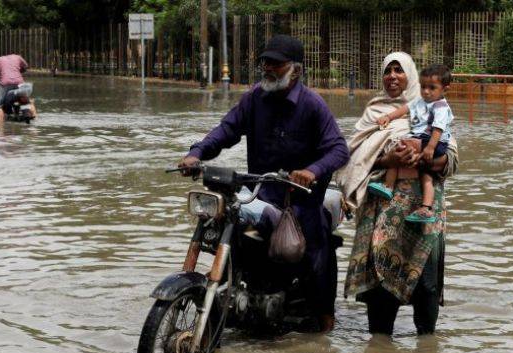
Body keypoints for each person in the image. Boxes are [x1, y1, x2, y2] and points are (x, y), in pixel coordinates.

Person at [178, 35, 350, 332]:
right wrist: (197, 153)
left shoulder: (313, 105)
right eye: (265, 62)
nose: (268, 68)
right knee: (229, 224)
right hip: (259, 192)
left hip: (300, 199)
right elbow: (226, 130)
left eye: (276, 63)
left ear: (295, 69)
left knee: (316, 249)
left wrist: (312, 170)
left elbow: (338, 149)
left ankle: (326, 320)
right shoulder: (254, 98)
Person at [337, 52, 459, 336]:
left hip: (424, 209)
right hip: (382, 207)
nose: (392, 76)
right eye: (387, 71)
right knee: (380, 289)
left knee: (426, 284)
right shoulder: (374, 113)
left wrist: (425, 157)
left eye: (399, 70)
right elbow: (353, 159)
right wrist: (389, 160)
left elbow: (452, 159)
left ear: (411, 75)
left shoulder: (434, 108)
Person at [369, 64, 454, 223]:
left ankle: (388, 186)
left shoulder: (440, 106)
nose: (426, 91)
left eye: (431, 88)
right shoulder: (420, 101)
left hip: (432, 142)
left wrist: (430, 148)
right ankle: (426, 208)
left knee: (401, 149)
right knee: (425, 174)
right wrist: (389, 117)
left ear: (445, 89)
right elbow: (404, 108)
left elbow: (438, 129)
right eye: (423, 87)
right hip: (422, 139)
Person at [0, 54, 28, 123]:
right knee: (25, 101)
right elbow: (25, 66)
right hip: (19, 82)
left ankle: (1, 126)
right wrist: (20, 71)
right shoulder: (18, 57)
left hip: (5, 83)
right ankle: (28, 118)